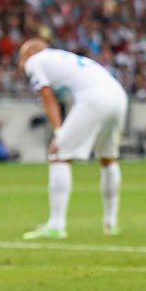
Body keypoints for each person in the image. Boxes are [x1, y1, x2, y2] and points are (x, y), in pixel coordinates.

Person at [18, 38, 129, 238]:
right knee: (108, 157)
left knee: (58, 153)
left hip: (95, 98)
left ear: (30, 53)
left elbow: (46, 95)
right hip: (118, 95)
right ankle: (111, 223)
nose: (20, 63)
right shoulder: (63, 57)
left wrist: (59, 131)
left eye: (21, 57)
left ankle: (57, 225)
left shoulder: (35, 61)